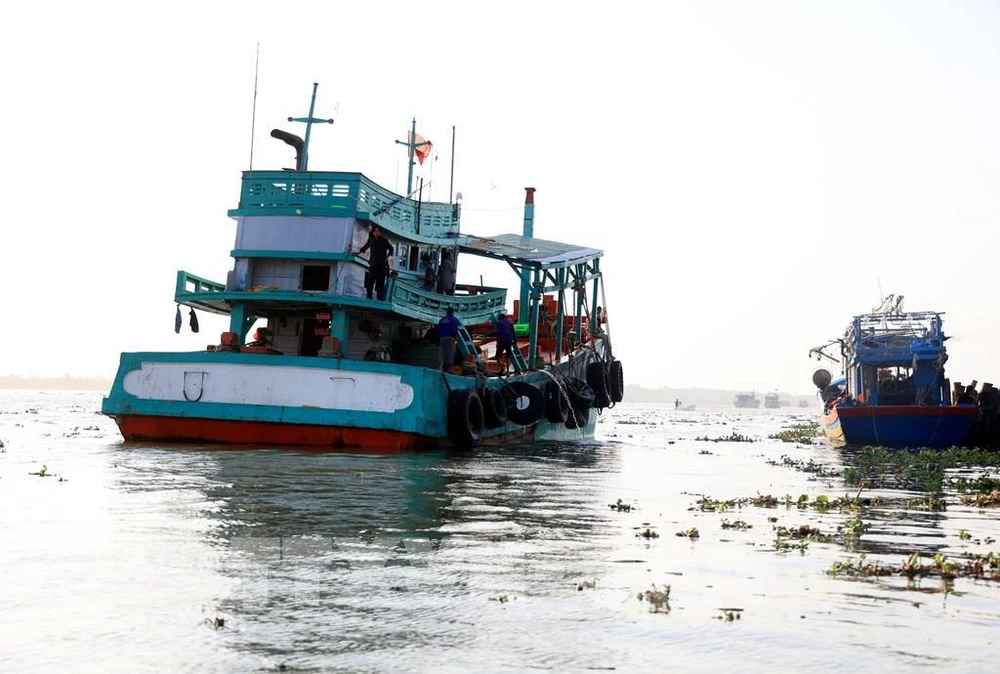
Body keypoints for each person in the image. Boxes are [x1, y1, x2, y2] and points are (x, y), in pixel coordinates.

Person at [356, 225, 394, 300]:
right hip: (373, 263)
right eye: (375, 231)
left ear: (380, 232)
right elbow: (365, 246)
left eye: (378, 231)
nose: (377, 233)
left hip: (382, 264)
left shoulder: (384, 240)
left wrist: (388, 257)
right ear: (373, 232)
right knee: (370, 281)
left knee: (380, 282)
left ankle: (379, 298)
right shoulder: (371, 240)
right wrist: (358, 252)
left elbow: (391, 248)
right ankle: (369, 296)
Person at [437, 307, 461, 371]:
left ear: (446, 312)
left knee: (442, 354)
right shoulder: (454, 319)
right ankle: (447, 371)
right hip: (450, 339)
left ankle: (440, 369)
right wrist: (454, 338)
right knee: (450, 356)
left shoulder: (442, 319)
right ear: (453, 312)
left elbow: (438, 329)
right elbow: (455, 329)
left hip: (442, 339)